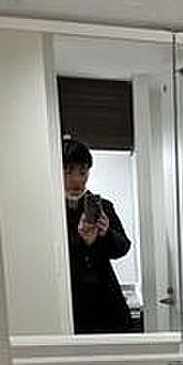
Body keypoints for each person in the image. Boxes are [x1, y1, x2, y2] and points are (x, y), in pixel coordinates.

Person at [62, 138, 134, 333]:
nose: (77, 180)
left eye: (82, 172)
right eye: (68, 172)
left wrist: (106, 234)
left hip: (106, 300)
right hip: (70, 301)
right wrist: (82, 240)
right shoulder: (52, 209)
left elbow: (123, 247)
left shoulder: (104, 207)